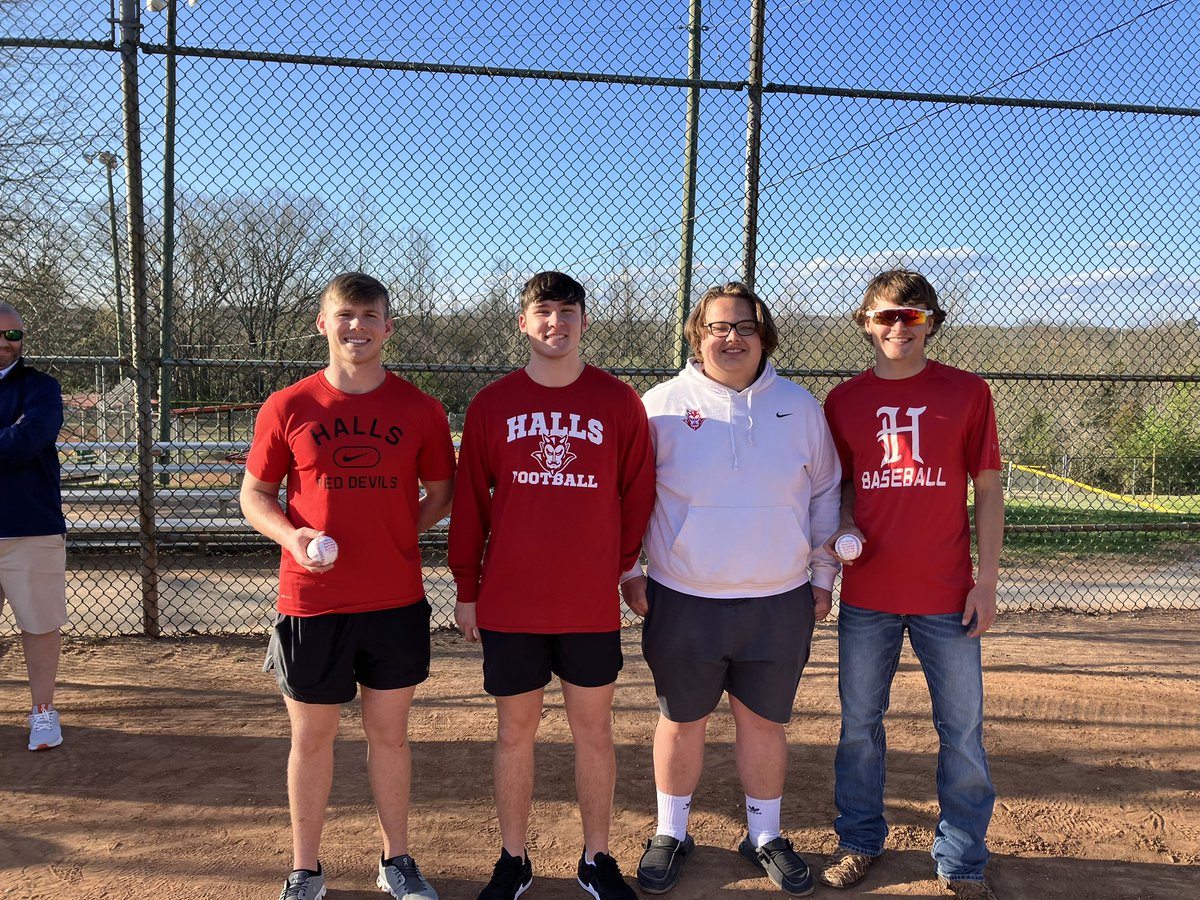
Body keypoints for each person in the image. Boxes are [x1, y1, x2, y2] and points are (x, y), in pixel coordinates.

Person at [621, 282, 841, 897]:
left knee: (765, 724)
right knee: (680, 720)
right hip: (683, 596)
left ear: (763, 335)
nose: (732, 337)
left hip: (779, 599)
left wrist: (823, 576)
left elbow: (825, 492)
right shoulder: (660, 405)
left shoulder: (800, 407)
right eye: (719, 326)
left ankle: (764, 835)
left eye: (745, 327)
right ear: (697, 335)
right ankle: (671, 833)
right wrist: (627, 570)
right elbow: (627, 493)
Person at [241, 273, 456, 900]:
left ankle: (398, 860)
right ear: (322, 323)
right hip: (312, 601)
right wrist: (294, 538)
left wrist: (395, 535)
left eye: (369, 315)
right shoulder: (289, 405)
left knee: (390, 735)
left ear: (388, 326)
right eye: (345, 315)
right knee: (312, 738)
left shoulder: (420, 408)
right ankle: (305, 869)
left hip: (393, 600)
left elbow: (440, 494)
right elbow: (255, 495)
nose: (356, 326)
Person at [449, 271, 656, 900]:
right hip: (512, 600)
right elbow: (470, 507)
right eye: (543, 312)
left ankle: (596, 858)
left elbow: (638, 492)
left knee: (594, 731)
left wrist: (619, 564)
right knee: (515, 731)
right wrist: (466, 586)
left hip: (588, 603)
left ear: (584, 322)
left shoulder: (619, 402)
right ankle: (514, 858)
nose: (555, 323)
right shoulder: (492, 404)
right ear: (524, 322)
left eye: (568, 312)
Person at [819, 270, 1003, 900]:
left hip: (948, 596)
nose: (899, 326)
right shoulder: (842, 401)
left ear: (931, 322)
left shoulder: (969, 392)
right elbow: (837, 486)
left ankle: (961, 859)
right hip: (868, 593)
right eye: (887, 315)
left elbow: (989, 489)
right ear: (865, 323)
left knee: (961, 728)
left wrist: (988, 581)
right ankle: (860, 839)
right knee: (859, 725)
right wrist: (845, 524)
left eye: (913, 316)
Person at [0, 302, 67, 752]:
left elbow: (28, 440)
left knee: (40, 625)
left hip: (31, 525)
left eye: (14, 335)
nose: (6, 343)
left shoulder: (41, 387)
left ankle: (43, 712)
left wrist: (15, 435)